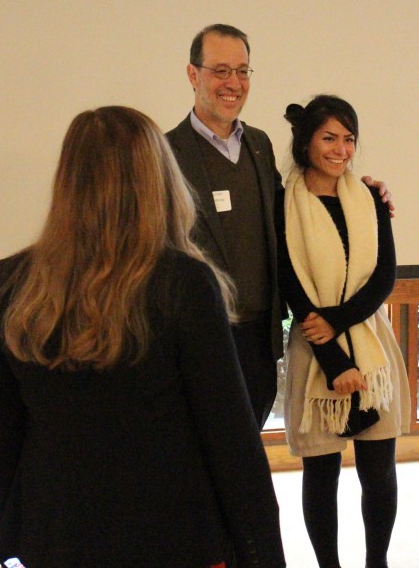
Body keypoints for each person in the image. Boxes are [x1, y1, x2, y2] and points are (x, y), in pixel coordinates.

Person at [0, 106, 285, 568]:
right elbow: (231, 444)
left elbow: (2, 440)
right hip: (173, 537)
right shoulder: (183, 282)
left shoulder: (12, 280)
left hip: (57, 535)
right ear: (158, 180)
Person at [166, 23, 392, 428]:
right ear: (192, 74)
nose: (233, 82)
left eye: (242, 71)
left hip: (258, 337)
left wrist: (366, 193)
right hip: (199, 337)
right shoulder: (165, 153)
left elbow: (289, 220)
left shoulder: (258, 144)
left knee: (248, 447)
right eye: (221, 70)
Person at [276, 95, 410, 568]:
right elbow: (291, 284)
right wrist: (334, 360)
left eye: (349, 139)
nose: (341, 150)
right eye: (329, 138)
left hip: (371, 345)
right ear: (306, 142)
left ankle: (378, 563)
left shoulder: (370, 197)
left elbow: (385, 277)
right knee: (321, 474)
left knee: (380, 472)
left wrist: (338, 320)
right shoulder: (283, 203)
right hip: (315, 351)